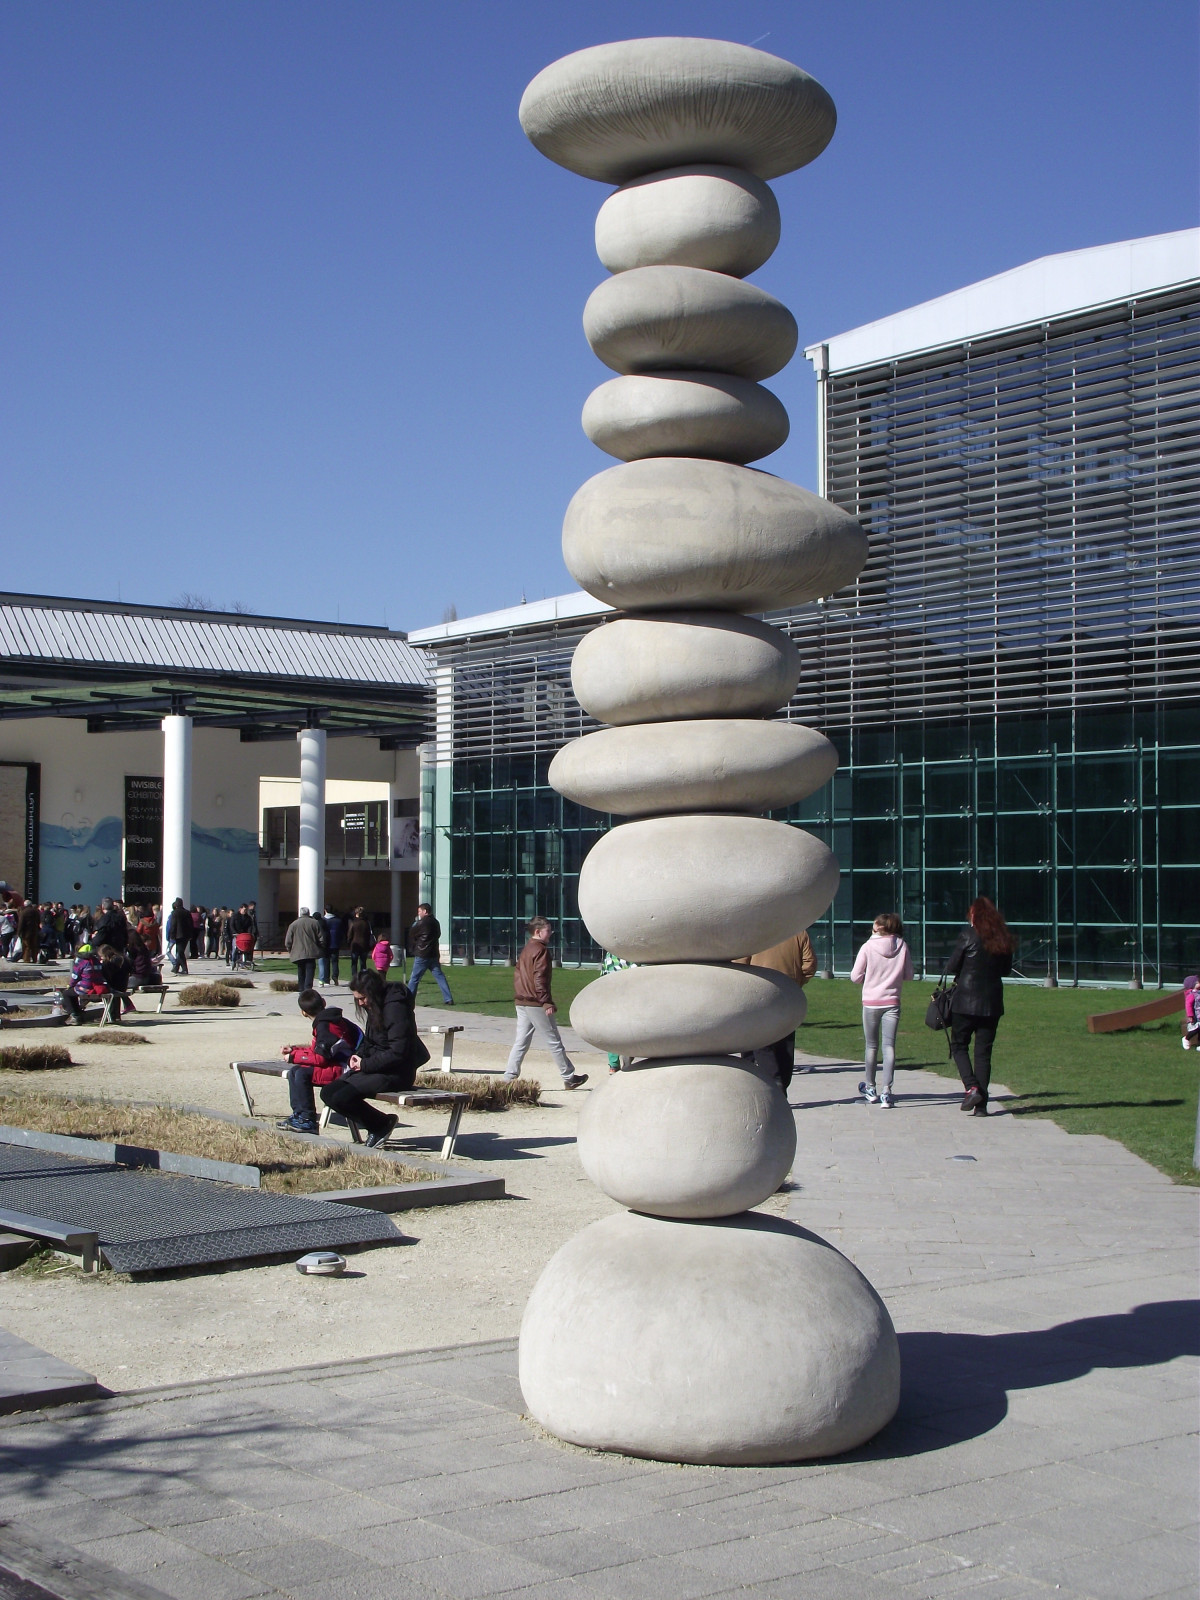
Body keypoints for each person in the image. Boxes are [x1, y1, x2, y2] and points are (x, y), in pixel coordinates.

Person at [319, 969, 428, 1146]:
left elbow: (398, 1051)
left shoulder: (395, 1008)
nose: (360, 1003)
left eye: (362, 998)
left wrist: (365, 1064)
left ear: (373, 993)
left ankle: (381, 1125)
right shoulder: (375, 1005)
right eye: (357, 999)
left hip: (397, 1072)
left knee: (342, 1097)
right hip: (376, 1066)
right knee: (329, 1093)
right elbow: (371, 1040)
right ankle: (380, 1123)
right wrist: (358, 1056)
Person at [946, 896, 1015, 1116]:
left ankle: (972, 1087)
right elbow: (1005, 970)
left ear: (974, 916)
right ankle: (981, 1106)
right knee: (983, 1053)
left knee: (958, 1046)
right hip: (991, 1002)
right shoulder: (1002, 937)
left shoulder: (968, 935)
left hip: (965, 1001)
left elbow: (952, 965)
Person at [503, 917, 588, 1090]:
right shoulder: (540, 950)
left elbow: (518, 976)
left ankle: (508, 1078)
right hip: (535, 1002)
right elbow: (539, 978)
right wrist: (546, 1002)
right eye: (548, 931)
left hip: (522, 1000)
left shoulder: (527, 948)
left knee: (521, 1041)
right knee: (553, 1040)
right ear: (537, 932)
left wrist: (522, 996)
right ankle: (568, 1076)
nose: (550, 934)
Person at [735, 929, 817, 1089]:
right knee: (785, 1044)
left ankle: (772, 1085)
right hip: (788, 993)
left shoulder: (754, 933)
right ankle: (782, 1084)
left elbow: (740, 964)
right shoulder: (798, 932)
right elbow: (809, 964)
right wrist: (796, 982)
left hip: (760, 993)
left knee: (763, 1042)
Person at [850, 913, 914, 1108]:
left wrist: (869, 978)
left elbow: (855, 976)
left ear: (879, 927)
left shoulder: (868, 947)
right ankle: (887, 1090)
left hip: (871, 1002)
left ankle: (870, 1087)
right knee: (889, 1046)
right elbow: (909, 975)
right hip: (892, 1001)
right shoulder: (902, 946)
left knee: (871, 1046)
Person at [277, 988, 362, 1134]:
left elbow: (321, 1058)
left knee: (301, 1073)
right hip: (339, 1063)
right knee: (295, 1071)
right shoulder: (330, 1020)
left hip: (346, 1068)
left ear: (303, 1013)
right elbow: (316, 1050)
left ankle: (307, 1119)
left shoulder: (326, 1026)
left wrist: (293, 1057)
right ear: (323, 1002)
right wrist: (294, 1050)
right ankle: (299, 1115)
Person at [406, 904, 454, 1005]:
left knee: (414, 978)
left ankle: (409, 999)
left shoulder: (421, 923)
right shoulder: (436, 922)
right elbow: (438, 934)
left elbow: (411, 933)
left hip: (422, 954)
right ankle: (448, 998)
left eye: (420, 911)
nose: (418, 913)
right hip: (433, 954)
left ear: (425, 911)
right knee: (440, 976)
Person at [56, 941, 106, 1023]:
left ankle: (74, 1015)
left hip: (86, 987)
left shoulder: (82, 962)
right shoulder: (96, 960)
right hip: (98, 986)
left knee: (67, 993)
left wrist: (70, 985)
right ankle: (79, 1013)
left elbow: (75, 977)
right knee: (73, 993)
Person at [284, 905, 326, 992]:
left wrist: (290, 950)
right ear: (309, 913)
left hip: (298, 952)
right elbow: (321, 938)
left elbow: (288, 940)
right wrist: (320, 947)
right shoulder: (315, 923)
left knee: (301, 970)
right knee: (310, 971)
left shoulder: (293, 924)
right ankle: (308, 988)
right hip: (311, 951)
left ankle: (301, 988)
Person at [346, 906, 373, 982]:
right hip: (364, 944)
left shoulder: (354, 923)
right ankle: (363, 978)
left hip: (355, 945)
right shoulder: (367, 923)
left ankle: (354, 977)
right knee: (363, 963)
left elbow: (350, 934)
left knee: (354, 963)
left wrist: (348, 942)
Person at [320, 905, 345, 986]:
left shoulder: (323, 920)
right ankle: (335, 976)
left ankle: (326, 979)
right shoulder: (338, 921)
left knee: (326, 962)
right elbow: (341, 933)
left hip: (325, 944)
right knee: (335, 962)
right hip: (335, 943)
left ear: (325, 910)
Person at [230, 903, 255, 970]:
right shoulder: (235, 916)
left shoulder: (248, 918)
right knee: (235, 949)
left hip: (245, 936)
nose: (245, 911)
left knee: (246, 948)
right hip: (237, 935)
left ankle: (245, 961)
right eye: (244, 909)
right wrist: (234, 932)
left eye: (246, 910)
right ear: (240, 909)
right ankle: (233, 961)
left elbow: (250, 926)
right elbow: (232, 925)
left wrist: (249, 933)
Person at [1181, 975, 1199, 1049]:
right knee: (1195, 1029)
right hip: (1195, 1016)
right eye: (1198, 982)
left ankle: (1199, 1045)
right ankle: (1186, 1039)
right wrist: (1190, 1015)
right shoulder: (1192, 995)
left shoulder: (1198, 993)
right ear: (1193, 985)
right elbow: (1188, 1005)